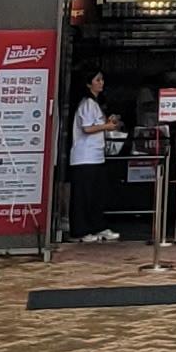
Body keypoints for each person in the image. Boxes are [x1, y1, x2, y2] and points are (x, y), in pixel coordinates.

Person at [69, 71, 118, 241]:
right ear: (89, 84)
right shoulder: (87, 103)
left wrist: (107, 123)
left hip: (95, 155)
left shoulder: (95, 104)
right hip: (84, 156)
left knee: (96, 195)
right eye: (97, 80)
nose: (101, 82)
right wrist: (106, 127)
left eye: (102, 79)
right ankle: (81, 230)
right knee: (84, 196)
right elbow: (87, 128)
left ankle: (97, 226)